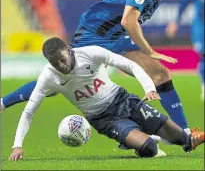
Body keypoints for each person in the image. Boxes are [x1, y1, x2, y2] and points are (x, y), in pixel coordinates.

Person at [1, 0, 200, 136]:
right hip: (93, 35)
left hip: (114, 38)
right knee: (55, 85)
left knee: (160, 74)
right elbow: (128, 21)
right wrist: (150, 51)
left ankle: (185, 132)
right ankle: (3, 103)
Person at [8, 37, 205, 161]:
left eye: (62, 59)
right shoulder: (48, 77)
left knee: (184, 139)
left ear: (68, 50)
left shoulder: (91, 53)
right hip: (104, 119)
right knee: (149, 149)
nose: (61, 66)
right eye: (55, 63)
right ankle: (136, 141)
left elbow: (130, 65)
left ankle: (154, 136)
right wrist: (17, 145)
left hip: (124, 100)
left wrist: (149, 88)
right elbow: (29, 112)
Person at [166, 0, 204, 100]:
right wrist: (175, 22)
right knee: (203, 54)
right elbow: (183, 4)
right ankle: (204, 85)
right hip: (201, 26)